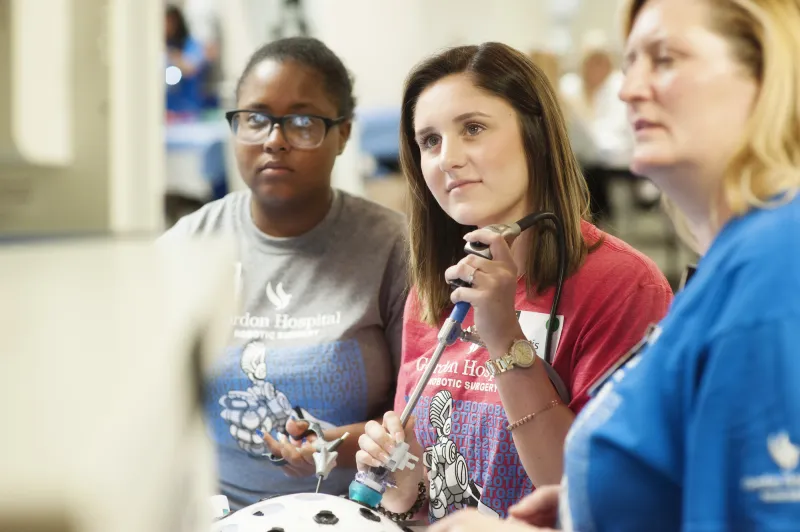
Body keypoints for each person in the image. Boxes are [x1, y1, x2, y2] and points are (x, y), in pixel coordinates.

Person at [428, 0, 800, 530]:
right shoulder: (733, 264)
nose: (627, 90)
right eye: (631, 64)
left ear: (767, 76)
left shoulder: (776, 269)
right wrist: (590, 506)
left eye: (665, 59)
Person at [354, 42, 673, 523]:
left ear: (535, 135)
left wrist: (503, 334)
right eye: (430, 142)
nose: (448, 159)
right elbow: (424, 491)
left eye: (473, 129)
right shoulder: (437, 285)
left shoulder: (623, 286)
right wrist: (402, 482)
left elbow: (591, 492)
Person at [160, 37, 408, 509]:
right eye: (255, 119)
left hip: (351, 511)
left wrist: (338, 444)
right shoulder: (189, 243)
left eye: (301, 121)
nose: (274, 139)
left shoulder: (393, 248)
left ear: (343, 133)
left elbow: (423, 412)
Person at [165, 4, 209, 114]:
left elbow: (191, 67)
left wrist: (174, 56)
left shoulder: (191, 44)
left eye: (170, 21)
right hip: (166, 109)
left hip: (188, 109)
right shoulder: (158, 46)